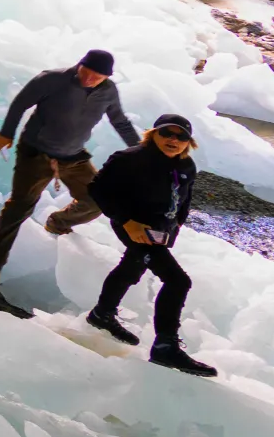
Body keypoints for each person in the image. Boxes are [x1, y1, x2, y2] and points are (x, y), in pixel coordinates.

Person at [0, 49, 138, 286]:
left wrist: (141, 151)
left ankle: (58, 222)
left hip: (73, 156)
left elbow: (120, 122)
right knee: (20, 207)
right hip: (36, 153)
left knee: (98, 200)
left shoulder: (108, 92)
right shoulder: (52, 79)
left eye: (97, 76)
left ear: (107, 77)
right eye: (86, 72)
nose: (89, 79)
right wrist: (6, 133)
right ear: (79, 65)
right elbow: (19, 104)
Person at [86, 113, 215, 377]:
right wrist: (126, 221)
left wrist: (175, 227)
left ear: (188, 143)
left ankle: (102, 314)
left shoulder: (186, 165)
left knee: (132, 266)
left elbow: (184, 199)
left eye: (181, 136)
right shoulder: (128, 159)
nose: (173, 140)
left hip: (159, 231)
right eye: (166, 133)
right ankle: (165, 346)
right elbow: (98, 189)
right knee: (178, 281)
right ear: (152, 134)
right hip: (132, 226)